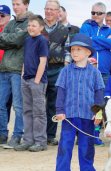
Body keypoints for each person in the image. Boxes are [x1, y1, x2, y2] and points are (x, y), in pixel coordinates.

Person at [55, 33, 105, 171]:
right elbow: (61, 92)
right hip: (69, 117)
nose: (75, 52)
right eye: (73, 49)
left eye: (79, 49)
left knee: (87, 147)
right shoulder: (65, 71)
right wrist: (59, 110)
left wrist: (98, 113)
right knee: (65, 146)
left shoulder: (95, 73)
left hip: (88, 117)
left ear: (88, 52)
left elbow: (99, 94)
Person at [14, 15, 49, 152]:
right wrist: (23, 75)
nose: (30, 28)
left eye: (34, 25)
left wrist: (37, 80)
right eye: (29, 25)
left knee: (39, 112)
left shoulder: (42, 41)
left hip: (37, 81)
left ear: (41, 27)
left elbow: (43, 61)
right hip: (26, 80)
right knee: (27, 111)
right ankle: (28, 140)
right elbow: (26, 59)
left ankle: (40, 142)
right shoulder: (28, 40)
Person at [0, 0, 31, 148]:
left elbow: (19, 40)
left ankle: (17, 136)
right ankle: (2, 134)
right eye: (13, 4)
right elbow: (2, 41)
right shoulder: (11, 23)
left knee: (18, 106)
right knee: (1, 104)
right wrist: (10, 39)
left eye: (18, 4)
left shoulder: (30, 21)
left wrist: (9, 39)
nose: (15, 7)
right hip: (4, 68)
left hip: (18, 70)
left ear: (26, 5)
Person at [43, 0, 71, 146]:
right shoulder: (37, 26)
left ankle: (50, 135)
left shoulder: (64, 29)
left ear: (58, 11)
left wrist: (65, 69)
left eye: (52, 9)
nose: (49, 12)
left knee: (53, 104)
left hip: (57, 69)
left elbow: (67, 50)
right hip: (38, 70)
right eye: (47, 9)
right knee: (38, 104)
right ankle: (38, 135)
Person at [80, 2, 111, 85]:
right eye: (93, 13)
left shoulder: (109, 30)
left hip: (104, 72)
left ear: (104, 15)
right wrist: (105, 43)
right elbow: (85, 44)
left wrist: (94, 38)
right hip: (86, 71)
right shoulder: (86, 27)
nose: (95, 15)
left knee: (103, 97)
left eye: (99, 13)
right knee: (86, 97)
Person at [0, 4, 13, 146]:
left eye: (2, 15)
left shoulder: (10, 30)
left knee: (7, 103)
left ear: (8, 17)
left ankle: (3, 133)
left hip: (10, 70)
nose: (0, 18)